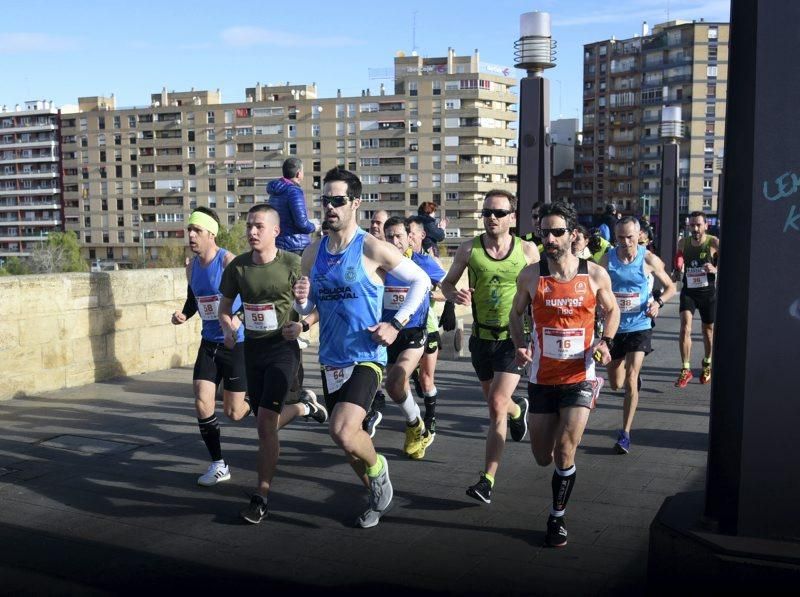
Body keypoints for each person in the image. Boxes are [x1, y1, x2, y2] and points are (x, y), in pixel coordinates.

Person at [293, 167, 431, 528]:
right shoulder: (312, 253)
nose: (330, 207)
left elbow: (420, 282)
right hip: (330, 359)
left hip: (365, 356)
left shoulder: (370, 247)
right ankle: (374, 491)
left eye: (338, 201)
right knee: (348, 440)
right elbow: (308, 308)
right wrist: (301, 302)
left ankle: (380, 469)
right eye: (326, 201)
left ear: (355, 203)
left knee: (341, 429)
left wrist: (395, 323)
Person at [509, 200, 620, 548]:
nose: (551, 239)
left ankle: (557, 518)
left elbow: (612, 309)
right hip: (542, 378)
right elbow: (515, 315)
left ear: (573, 235)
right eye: (546, 233)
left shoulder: (594, 274)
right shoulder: (531, 275)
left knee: (565, 451)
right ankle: (534, 420)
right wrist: (519, 345)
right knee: (543, 457)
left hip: (579, 376)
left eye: (558, 232)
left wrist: (607, 341)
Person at [218, 204, 328, 524]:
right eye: (249, 225)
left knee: (265, 424)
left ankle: (261, 495)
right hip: (253, 351)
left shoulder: (294, 264)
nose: (252, 231)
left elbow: (319, 306)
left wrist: (303, 326)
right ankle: (306, 406)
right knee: (261, 422)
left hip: (284, 349)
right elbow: (225, 308)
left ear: (275, 232)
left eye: (259, 226)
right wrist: (228, 327)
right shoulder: (238, 268)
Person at [441, 189, 540, 504]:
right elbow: (445, 283)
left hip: (513, 339)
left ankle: (487, 480)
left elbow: (541, 296)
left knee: (495, 403)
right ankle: (517, 408)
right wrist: (454, 295)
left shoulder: (527, 251)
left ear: (512, 217)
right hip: (480, 339)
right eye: (486, 213)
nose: (491, 218)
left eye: (498, 213)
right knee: (498, 402)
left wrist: (535, 337)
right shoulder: (470, 249)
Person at [171, 207, 250, 487]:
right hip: (209, 343)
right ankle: (218, 464)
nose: (191, 236)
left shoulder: (229, 262)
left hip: (237, 344)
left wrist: (237, 321)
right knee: (202, 400)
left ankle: (262, 397)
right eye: (189, 231)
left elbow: (251, 298)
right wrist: (183, 314)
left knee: (235, 412)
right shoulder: (191, 267)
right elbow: (196, 300)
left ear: (211, 234)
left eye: (197, 231)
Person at [601, 216, 676, 454]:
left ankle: (625, 433)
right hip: (614, 327)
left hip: (640, 325)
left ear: (639, 235)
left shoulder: (649, 259)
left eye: (630, 237)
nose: (625, 242)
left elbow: (671, 287)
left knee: (631, 379)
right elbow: (595, 287)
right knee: (615, 383)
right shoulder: (607, 259)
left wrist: (659, 302)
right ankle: (628, 380)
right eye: (620, 238)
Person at [380, 216, 445, 459]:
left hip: (415, 332)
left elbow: (446, 283)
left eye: (398, 235)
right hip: (388, 333)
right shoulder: (380, 263)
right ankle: (415, 424)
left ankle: (424, 419)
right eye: (389, 237)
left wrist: (453, 296)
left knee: (397, 378)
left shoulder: (422, 262)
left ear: (409, 237)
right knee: (397, 387)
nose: (394, 241)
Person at [407, 215, 447, 438]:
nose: (408, 235)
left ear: (422, 235)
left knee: (426, 379)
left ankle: (430, 416)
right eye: (406, 231)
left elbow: (447, 289)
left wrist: (430, 292)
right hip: (402, 327)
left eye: (412, 231)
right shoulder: (395, 259)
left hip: (427, 325)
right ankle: (411, 418)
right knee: (398, 379)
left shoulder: (428, 262)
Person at [674, 211, 720, 387]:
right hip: (689, 292)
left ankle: (707, 362)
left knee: (708, 330)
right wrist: (678, 268)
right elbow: (679, 257)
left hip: (708, 293)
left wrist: (715, 269)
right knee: (685, 326)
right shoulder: (683, 242)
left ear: (705, 225)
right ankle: (685, 369)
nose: (695, 228)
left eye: (698, 225)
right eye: (692, 225)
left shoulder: (713, 242)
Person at [268, 157, 319, 255]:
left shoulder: (275, 192)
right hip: (296, 246)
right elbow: (302, 224)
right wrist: (314, 227)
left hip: (279, 244)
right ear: (298, 173)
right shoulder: (294, 191)